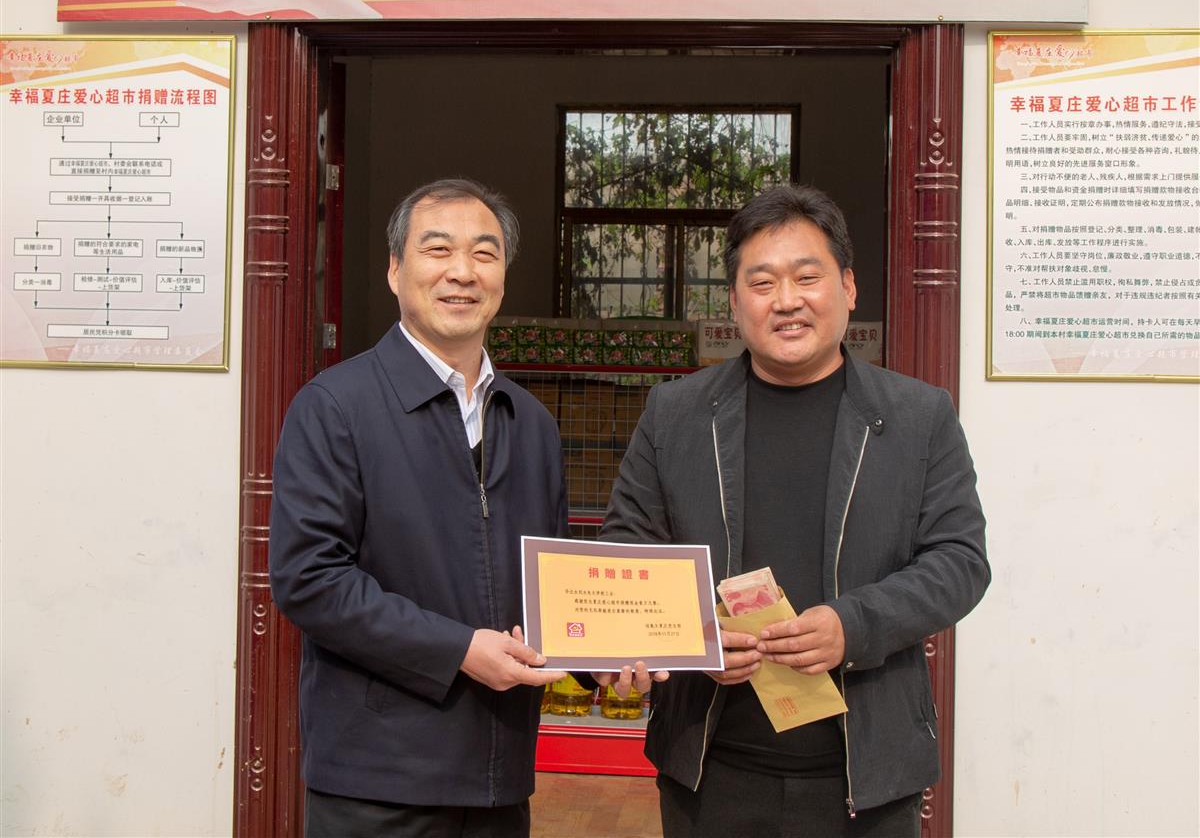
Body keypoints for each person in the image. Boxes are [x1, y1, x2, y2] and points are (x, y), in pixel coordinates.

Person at [600, 184, 990, 837]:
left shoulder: (919, 416)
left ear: (848, 287)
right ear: (734, 302)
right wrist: (691, 637)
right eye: (761, 283)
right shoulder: (676, 414)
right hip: (711, 774)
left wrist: (853, 626)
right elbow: (627, 547)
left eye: (807, 277)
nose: (786, 300)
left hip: (867, 778)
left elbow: (959, 562)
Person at [269, 178, 567, 838]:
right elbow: (309, 579)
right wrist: (459, 648)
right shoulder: (335, 406)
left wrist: (608, 657)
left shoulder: (531, 424)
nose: (462, 272)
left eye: (484, 253)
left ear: (503, 278)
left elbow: (552, 586)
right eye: (437, 250)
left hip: (499, 779)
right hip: (377, 780)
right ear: (395, 271)